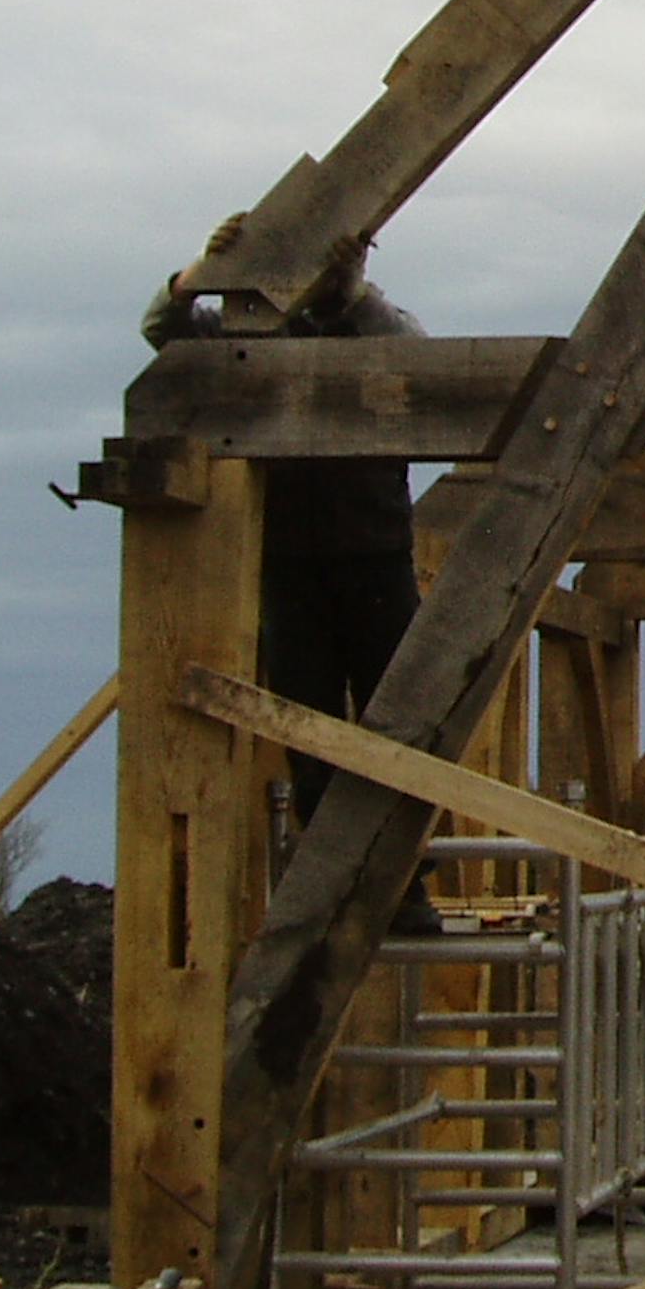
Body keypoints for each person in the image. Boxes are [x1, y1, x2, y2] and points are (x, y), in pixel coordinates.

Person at [142, 220, 424, 854]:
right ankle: (323, 871)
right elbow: (162, 328)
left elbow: (416, 353)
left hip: (374, 554)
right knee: (307, 723)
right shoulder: (246, 334)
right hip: (289, 559)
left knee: (402, 718)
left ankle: (402, 882)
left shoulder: (372, 324)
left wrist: (353, 291)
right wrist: (203, 272)